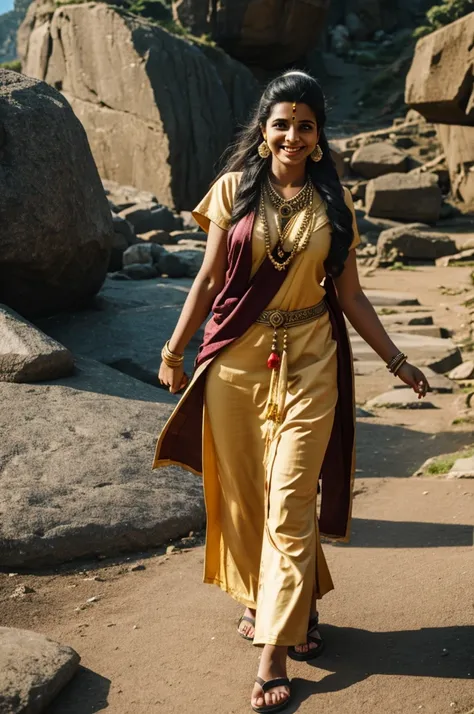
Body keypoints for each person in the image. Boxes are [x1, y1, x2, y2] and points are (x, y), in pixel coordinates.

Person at [154, 70, 429, 713]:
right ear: (263, 131)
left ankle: (272, 651)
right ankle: (280, 600)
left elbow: (351, 294)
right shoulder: (232, 192)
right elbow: (207, 281)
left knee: (289, 501)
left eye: (306, 126)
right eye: (282, 124)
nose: (293, 136)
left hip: (312, 361)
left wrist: (396, 361)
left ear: (319, 135)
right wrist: (173, 350)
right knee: (249, 503)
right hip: (236, 365)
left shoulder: (336, 204)